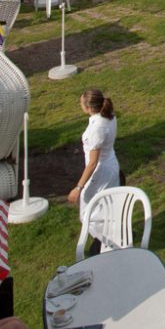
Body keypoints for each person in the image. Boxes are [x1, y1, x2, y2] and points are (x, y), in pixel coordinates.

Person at [68, 88, 120, 253]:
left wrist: (79, 187)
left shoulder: (96, 129)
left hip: (101, 171)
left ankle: (106, 241)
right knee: (108, 205)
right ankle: (113, 235)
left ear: (89, 107)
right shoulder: (109, 117)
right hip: (111, 164)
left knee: (89, 211)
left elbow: (92, 163)